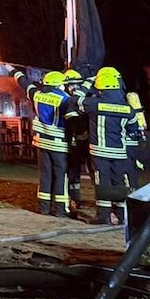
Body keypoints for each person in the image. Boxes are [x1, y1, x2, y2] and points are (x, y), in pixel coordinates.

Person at [11, 68, 78, 216]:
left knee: (45, 175)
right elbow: (72, 121)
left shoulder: (38, 95)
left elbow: (26, 84)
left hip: (41, 142)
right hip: (59, 144)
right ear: (60, 85)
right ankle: (61, 209)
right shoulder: (66, 99)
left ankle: (44, 208)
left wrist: (15, 72)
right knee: (61, 176)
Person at [78, 66, 136, 224]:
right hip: (120, 153)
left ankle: (103, 216)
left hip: (100, 152)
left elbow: (75, 99)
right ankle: (121, 214)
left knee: (102, 181)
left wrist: (88, 83)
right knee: (118, 182)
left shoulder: (93, 104)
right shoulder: (128, 109)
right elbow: (133, 129)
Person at [62, 69, 91, 213]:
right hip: (72, 142)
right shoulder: (66, 100)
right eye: (71, 84)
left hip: (85, 142)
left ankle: (102, 202)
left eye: (77, 84)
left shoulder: (82, 99)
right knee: (73, 172)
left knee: (90, 171)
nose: (74, 87)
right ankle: (74, 199)